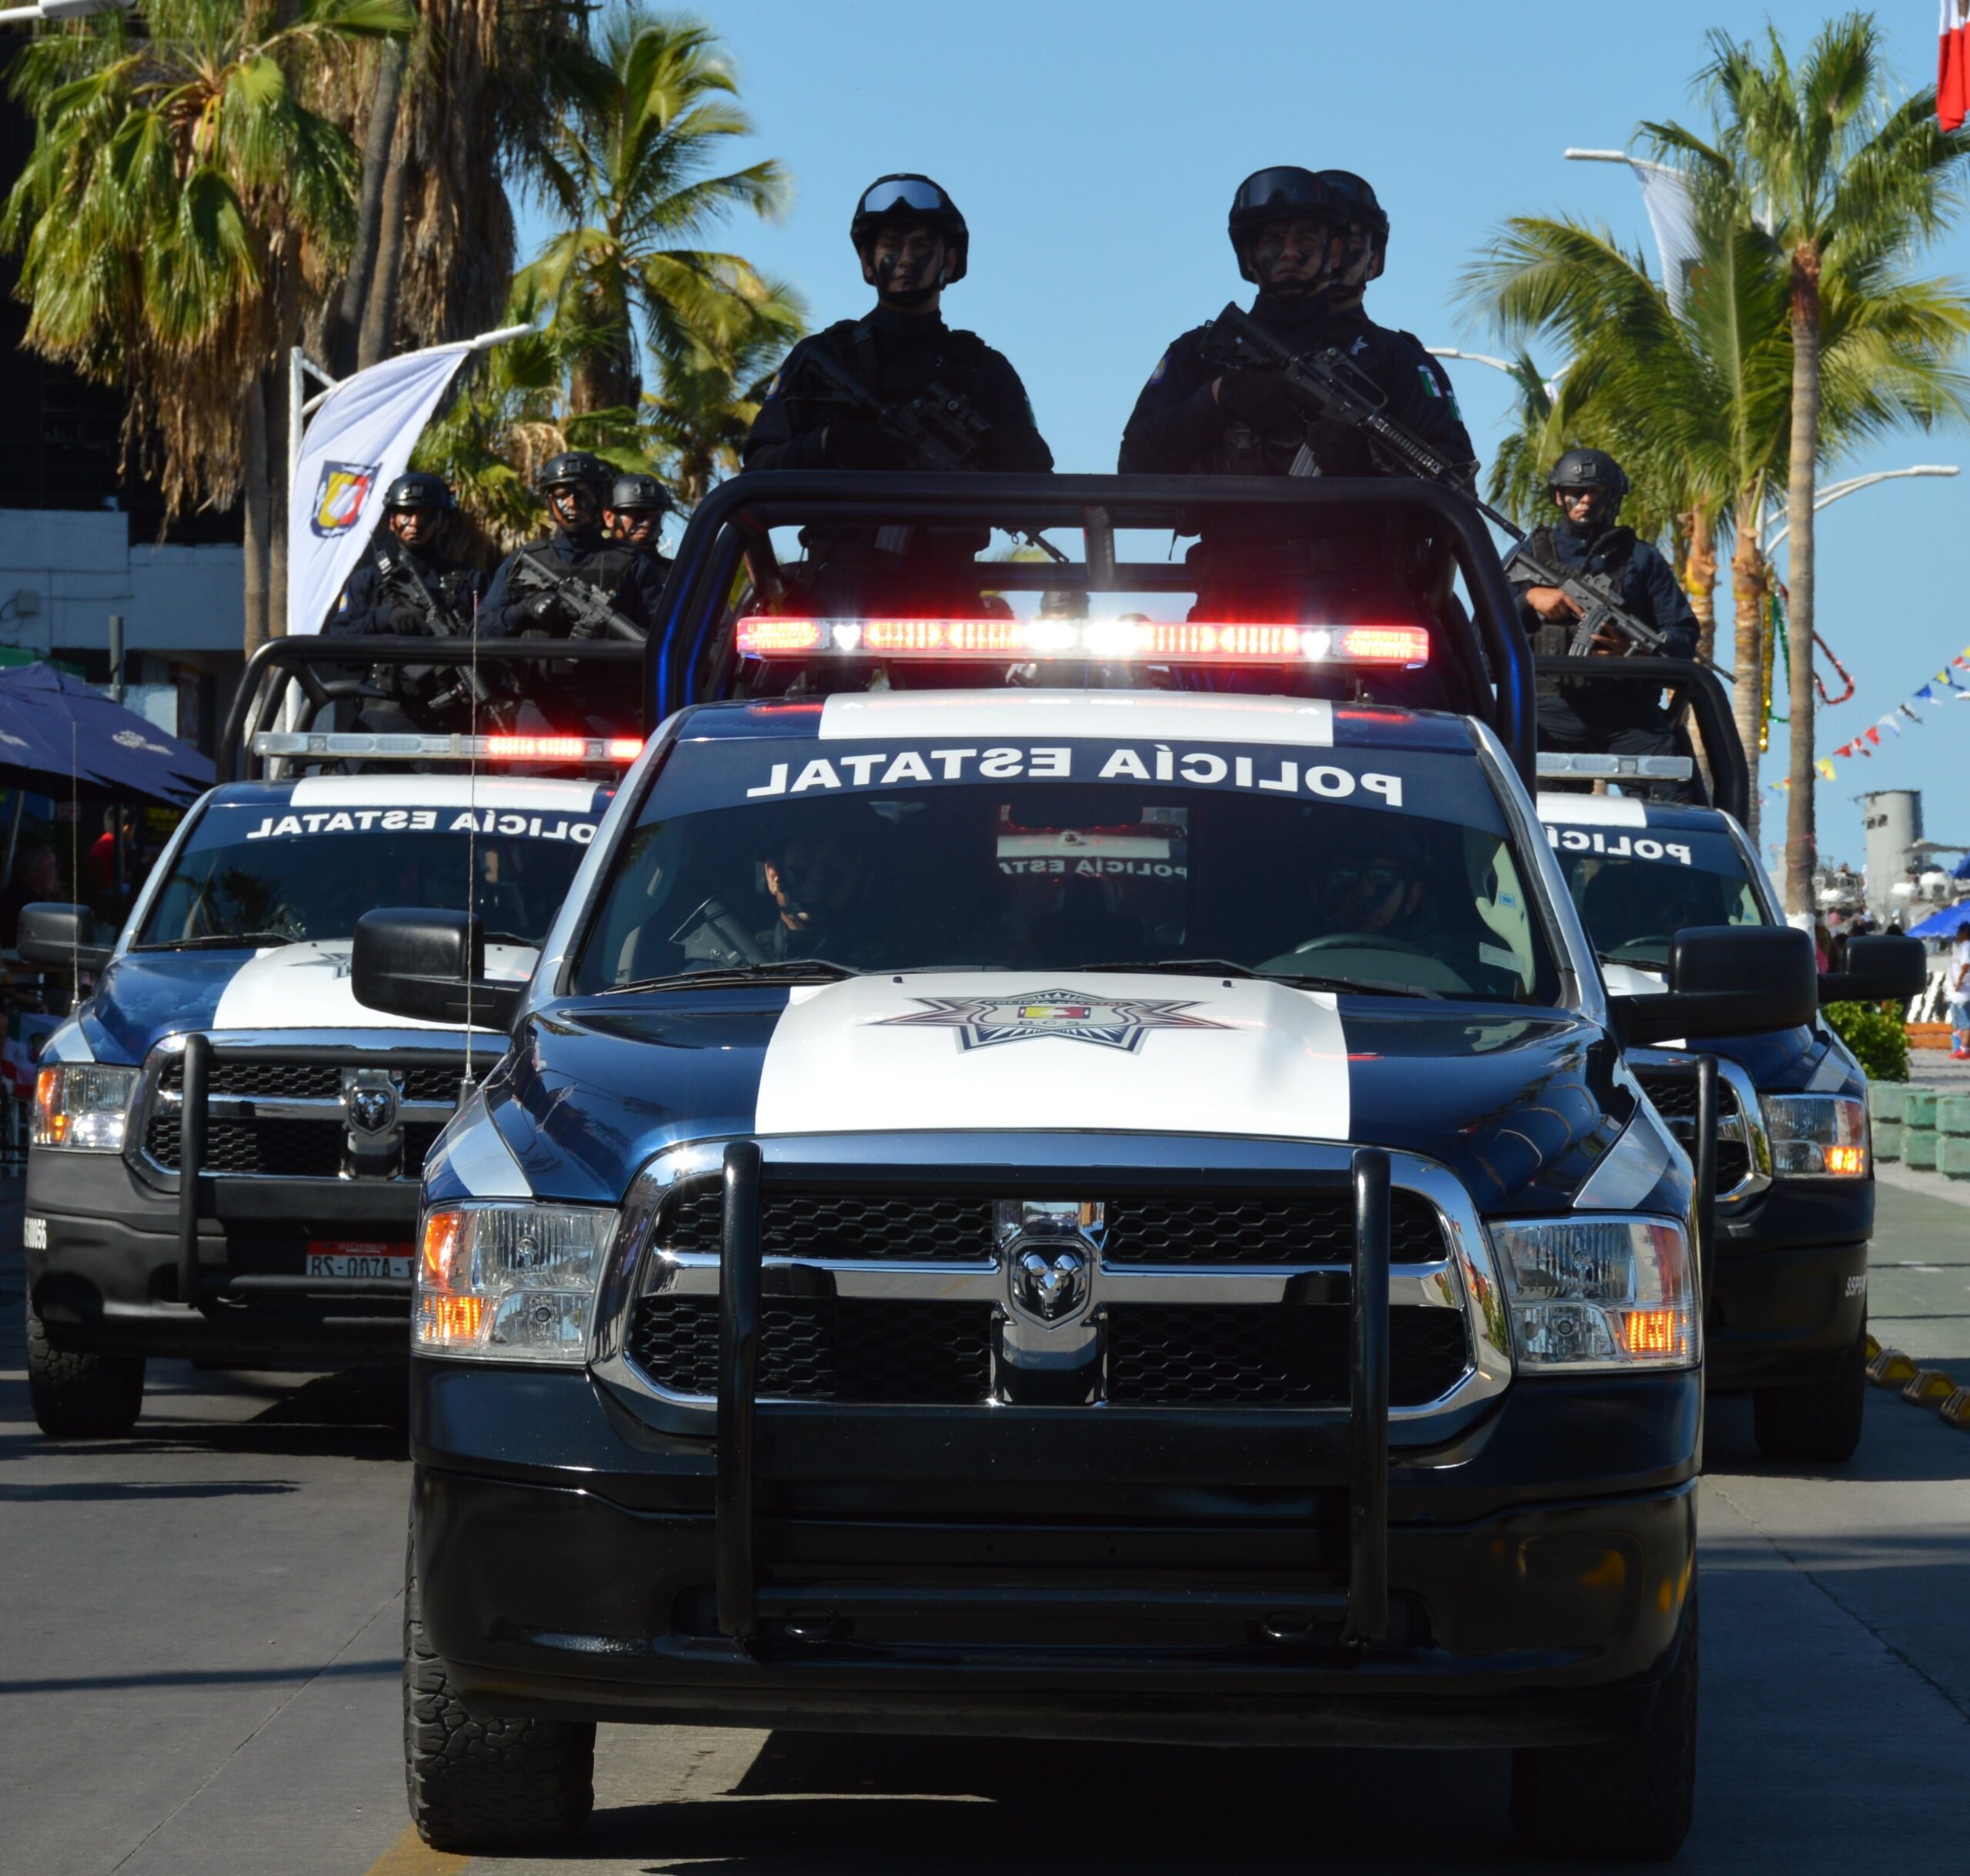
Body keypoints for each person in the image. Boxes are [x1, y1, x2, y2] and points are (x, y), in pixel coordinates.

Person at [1117, 168, 1477, 662]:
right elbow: (1134, 465)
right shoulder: (1199, 354)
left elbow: (1454, 485)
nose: (1288, 252)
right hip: (1234, 601)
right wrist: (1217, 399)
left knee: (1425, 713)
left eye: (1306, 239)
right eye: (1272, 240)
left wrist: (1367, 470)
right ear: (1249, 256)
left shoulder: (1392, 358)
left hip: (1362, 603)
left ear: (1333, 254)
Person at [741, 175, 1052, 616]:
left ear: (951, 261)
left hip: (945, 589)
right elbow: (756, 470)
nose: (906, 260)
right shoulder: (823, 357)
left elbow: (1037, 480)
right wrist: (828, 443)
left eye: (923, 247)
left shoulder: (984, 369)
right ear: (868, 263)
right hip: (837, 583)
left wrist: (979, 455)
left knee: (974, 687)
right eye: (892, 246)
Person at [1508, 449, 1699, 788]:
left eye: (1595, 492)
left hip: (1627, 712)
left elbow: (1682, 633)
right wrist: (1529, 600)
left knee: (1675, 793)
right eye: (1575, 492)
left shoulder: (1642, 559)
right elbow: (1481, 635)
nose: (1585, 501)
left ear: (1612, 499)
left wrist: (1631, 654)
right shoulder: (1528, 557)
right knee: (1534, 807)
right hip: (1550, 712)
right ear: (1558, 496)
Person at [477, 452, 668, 730]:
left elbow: (661, 640)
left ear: (602, 500)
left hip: (610, 712)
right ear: (549, 501)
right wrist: (523, 611)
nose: (572, 503)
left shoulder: (631, 564)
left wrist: (608, 635)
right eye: (562, 494)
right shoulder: (522, 562)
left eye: (582, 494)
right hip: (539, 710)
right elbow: (480, 633)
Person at [326, 472, 486, 729]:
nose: (415, 523)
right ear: (392, 521)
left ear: (443, 522)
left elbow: (491, 640)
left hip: (449, 719)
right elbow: (337, 648)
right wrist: (382, 618)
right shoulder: (368, 580)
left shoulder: (470, 580)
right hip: (382, 713)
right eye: (407, 514)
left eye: (426, 515)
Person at [604, 472, 674, 574]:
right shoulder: (586, 564)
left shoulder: (678, 573)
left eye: (654, 516)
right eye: (636, 514)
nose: (647, 523)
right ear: (609, 517)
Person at [1949, 920, 1970, 1061]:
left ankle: (1964, 1049)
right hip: (1957, 993)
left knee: (1966, 1021)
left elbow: (1966, 965)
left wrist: (1959, 981)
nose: (1957, 934)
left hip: (1963, 991)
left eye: (1959, 932)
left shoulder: (1967, 946)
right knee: (1957, 1021)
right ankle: (1958, 1048)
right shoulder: (1962, 946)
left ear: (1964, 933)